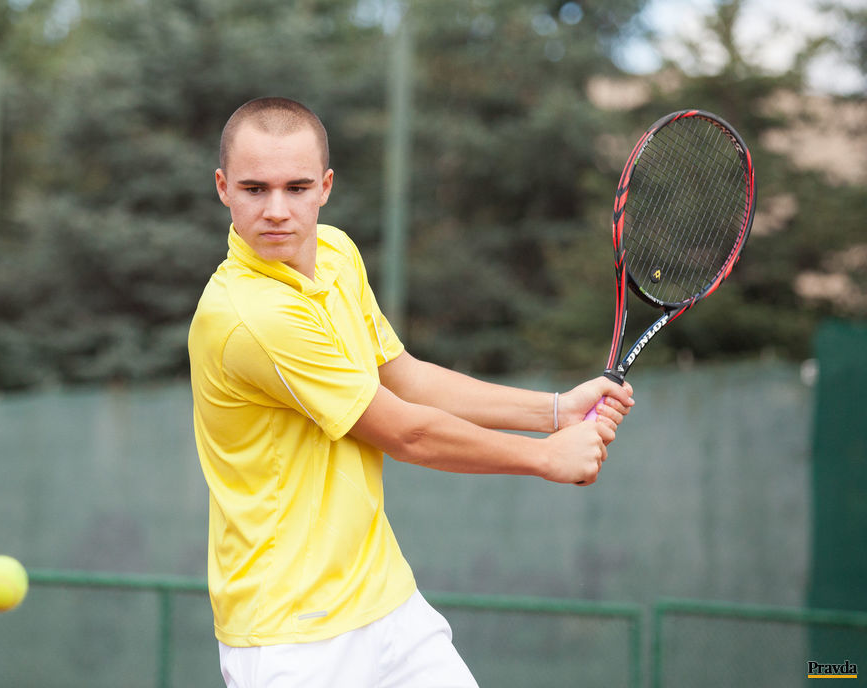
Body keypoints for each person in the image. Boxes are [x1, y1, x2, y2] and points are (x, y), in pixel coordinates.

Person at [187, 97, 635, 687]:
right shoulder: (250, 316)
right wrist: (544, 457)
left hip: (387, 604)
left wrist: (553, 411)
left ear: (325, 187)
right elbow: (405, 431)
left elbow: (406, 377)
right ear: (223, 187)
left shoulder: (337, 254)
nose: (277, 210)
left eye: (296, 188)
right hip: (292, 638)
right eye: (254, 189)